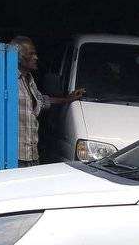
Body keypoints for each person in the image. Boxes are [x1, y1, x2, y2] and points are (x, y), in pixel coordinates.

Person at [10, 36, 84, 167]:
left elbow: (42, 101)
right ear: (19, 57)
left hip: (31, 155)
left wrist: (69, 99)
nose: (36, 58)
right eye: (31, 54)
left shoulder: (29, 80)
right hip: (15, 156)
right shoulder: (8, 80)